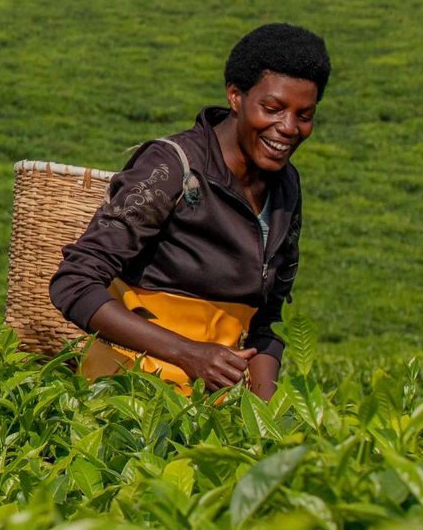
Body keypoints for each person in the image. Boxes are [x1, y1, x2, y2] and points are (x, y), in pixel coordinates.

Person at [49, 23, 329, 398]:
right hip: (129, 396)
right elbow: (73, 283)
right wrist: (189, 354)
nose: (288, 128)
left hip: (213, 401)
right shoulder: (171, 168)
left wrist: (262, 422)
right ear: (235, 96)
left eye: (304, 115)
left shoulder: (286, 186)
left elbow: (267, 320)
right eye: (273, 108)